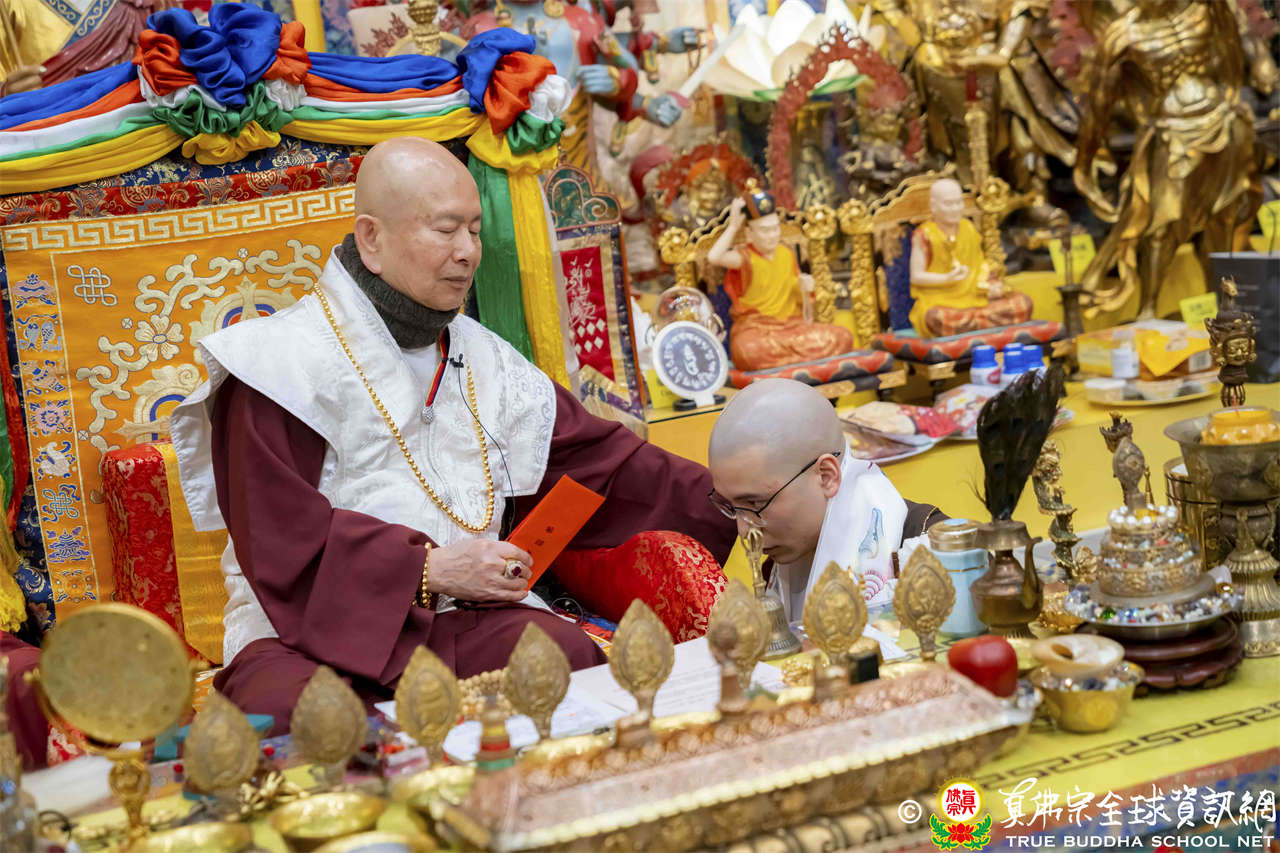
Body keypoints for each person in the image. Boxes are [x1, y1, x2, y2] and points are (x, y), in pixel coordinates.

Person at [170, 137, 735, 732]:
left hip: (458, 619)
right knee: (298, 716)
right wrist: (426, 571)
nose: (468, 252)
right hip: (303, 633)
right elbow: (279, 538)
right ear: (371, 238)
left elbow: (607, 468)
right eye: (445, 230)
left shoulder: (487, 360)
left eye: (475, 230)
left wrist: (745, 501)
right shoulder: (275, 367)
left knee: (562, 658)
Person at [706, 379, 946, 619]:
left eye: (756, 504)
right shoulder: (779, 565)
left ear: (827, 476)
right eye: (731, 507)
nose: (744, 531)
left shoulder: (934, 555)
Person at [708, 183, 855, 372]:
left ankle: (789, 360)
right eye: (764, 230)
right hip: (759, 331)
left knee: (843, 336)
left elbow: (799, 302)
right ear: (749, 233)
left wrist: (804, 288)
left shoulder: (786, 253)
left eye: (775, 229)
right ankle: (803, 358)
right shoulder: (745, 258)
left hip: (793, 328)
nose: (771, 236)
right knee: (748, 350)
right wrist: (734, 226)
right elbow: (714, 257)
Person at [909, 178, 1034, 337]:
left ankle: (975, 323)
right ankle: (979, 323)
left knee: (1023, 302)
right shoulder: (924, 235)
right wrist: (947, 278)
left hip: (975, 296)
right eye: (948, 204)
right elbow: (916, 277)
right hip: (941, 299)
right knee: (937, 318)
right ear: (934, 206)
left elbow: (981, 266)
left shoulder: (967, 228)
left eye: (958, 203)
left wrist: (990, 286)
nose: (955, 209)